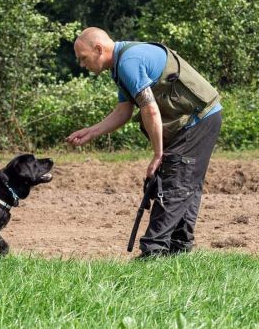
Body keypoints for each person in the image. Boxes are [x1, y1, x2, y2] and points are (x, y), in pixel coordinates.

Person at [66, 27, 222, 257]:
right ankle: (177, 250)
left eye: (83, 58)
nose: (82, 65)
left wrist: (158, 155)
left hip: (199, 119)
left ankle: (153, 251)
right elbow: (123, 111)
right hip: (194, 121)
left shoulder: (129, 61)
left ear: (99, 49)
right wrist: (91, 132)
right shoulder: (120, 65)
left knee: (174, 183)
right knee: (182, 182)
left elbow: (150, 109)